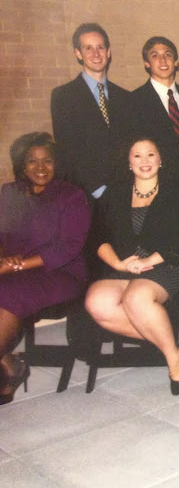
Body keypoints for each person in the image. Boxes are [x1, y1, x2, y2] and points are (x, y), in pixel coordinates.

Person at [84, 137, 179, 395]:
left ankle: (174, 361)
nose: (145, 161)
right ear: (128, 162)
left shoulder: (177, 190)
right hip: (127, 266)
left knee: (136, 297)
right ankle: (171, 344)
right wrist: (119, 264)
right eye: (137, 156)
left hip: (167, 263)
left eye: (151, 154)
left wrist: (149, 261)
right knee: (97, 301)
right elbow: (97, 236)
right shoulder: (115, 193)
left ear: (160, 159)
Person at [0, 133, 91, 405]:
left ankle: (10, 368)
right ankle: (9, 365)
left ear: (56, 163)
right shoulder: (9, 193)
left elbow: (68, 248)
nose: (40, 168)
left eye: (47, 161)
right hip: (17, 271)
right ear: (22, 164)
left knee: (9, 295)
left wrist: (15, 266)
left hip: (61, 272)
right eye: (32, 161)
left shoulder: (71, 196)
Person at [51, 23, 135, 199]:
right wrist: (98, 190)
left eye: (100, 47)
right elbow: (67, 150)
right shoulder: (63, 96)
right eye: (88, 48)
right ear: (78, 53)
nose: (96, 54)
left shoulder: (126, 98)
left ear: (108, 52)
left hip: (125, 191)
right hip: (87, 194)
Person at [131, 36, 179, 190]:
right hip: (154, 186)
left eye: (168, 55)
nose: (162, 60)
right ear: (146, 63)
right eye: (155, 56)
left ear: (176, 62)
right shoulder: (134, 101)